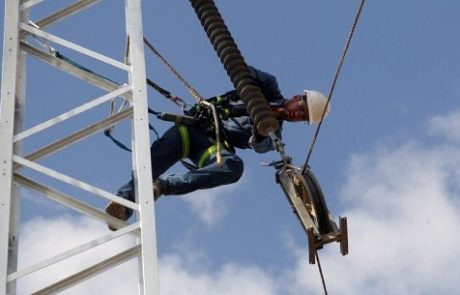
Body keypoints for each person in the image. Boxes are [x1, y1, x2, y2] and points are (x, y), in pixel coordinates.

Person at [105, 67, 330, 229]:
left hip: (212, 148)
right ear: (296, 97)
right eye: (300, 108)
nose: (296, 114)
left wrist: (262, 127)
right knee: (151, 164)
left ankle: (162, 187)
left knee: (234, 166)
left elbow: (261, 146)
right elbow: (242, 70)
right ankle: (124, 204)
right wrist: (254, 97)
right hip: (192, 128)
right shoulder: (269, 86)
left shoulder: (274, 134)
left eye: (302, 117)